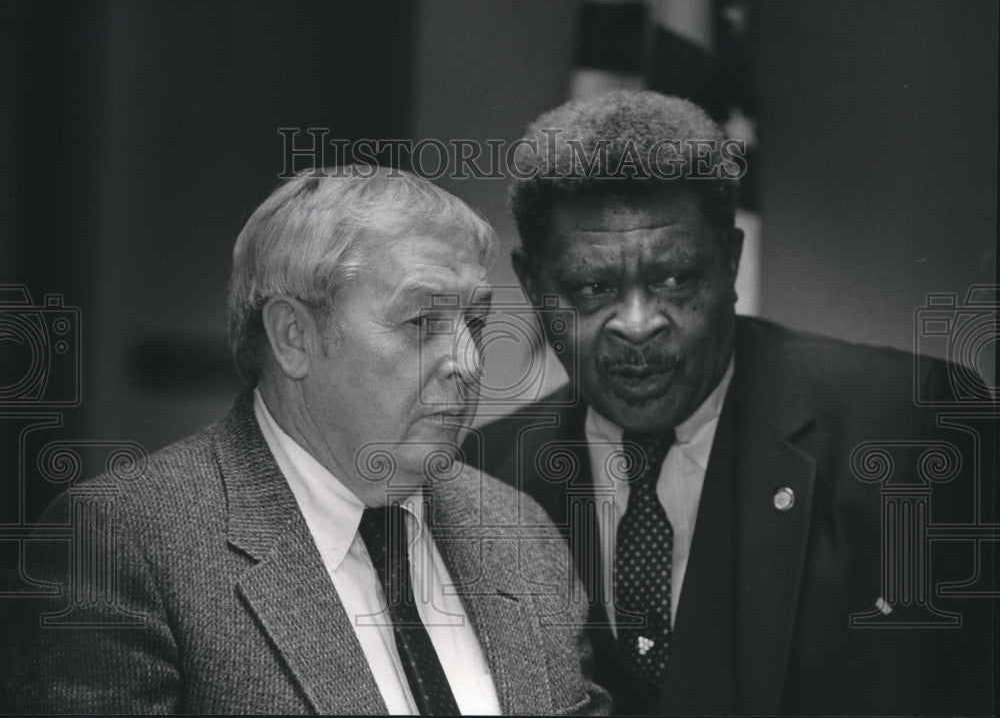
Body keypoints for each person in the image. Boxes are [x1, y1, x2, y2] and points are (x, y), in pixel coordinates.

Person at [3, 168, 610, 715]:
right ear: (294, 336)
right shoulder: (125, 543)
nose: (468, 361)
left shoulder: (520, 532)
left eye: (474, 323)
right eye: (424, 322)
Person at [467, 90, 995, 716]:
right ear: (532, 285)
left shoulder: (916, 427)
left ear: (732, 262)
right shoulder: (480, 476)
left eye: (674, 279)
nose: (637, 325)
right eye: (592, 287)